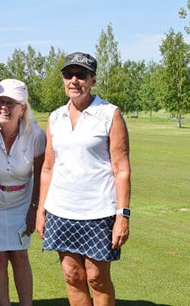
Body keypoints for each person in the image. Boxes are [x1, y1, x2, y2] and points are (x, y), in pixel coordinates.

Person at [35, 52, 131, 306]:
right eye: (69, 75)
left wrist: (123, 215)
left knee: (97, 278)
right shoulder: (55, 117)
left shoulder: (110, 114)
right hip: (61, 210)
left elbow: (121, 168)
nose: (74, 80)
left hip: (99, 212)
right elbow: (47, 167)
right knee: (72, 276)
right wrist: (41, 210)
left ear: (93, 79)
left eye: (81, 75)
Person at [0, 79, 45, 306]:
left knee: (19, 255)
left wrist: (34, 209)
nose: (4, 107)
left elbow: (40, 175)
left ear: (22, 109)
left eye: (11, 103)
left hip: (21, 201)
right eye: (0, 102)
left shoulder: (35, 135)